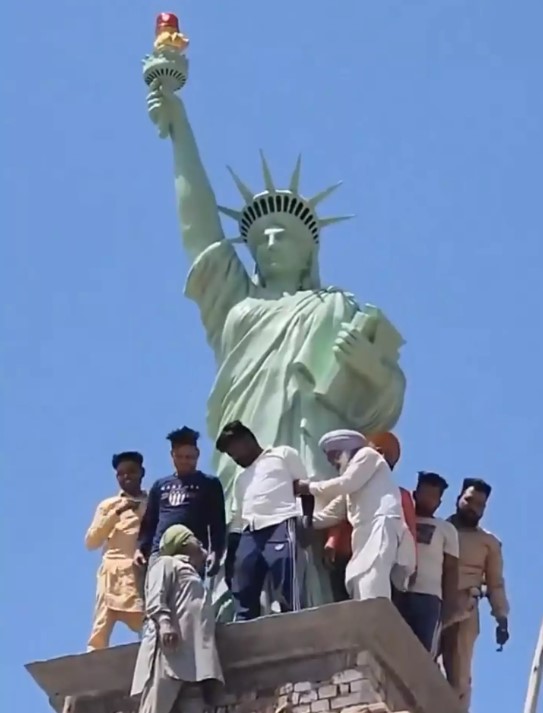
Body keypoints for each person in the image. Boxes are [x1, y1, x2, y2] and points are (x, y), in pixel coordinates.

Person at [295, 429, 416, 601]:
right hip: (363, 534)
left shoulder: (368, 456)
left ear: (346, 451)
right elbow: (330, 515)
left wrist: (308, 488)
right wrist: (294, 519)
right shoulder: (353, 487)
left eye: (336, 458)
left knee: (373, 578)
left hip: (380, 525)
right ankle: (365, 624)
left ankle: (376, 622)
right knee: (357, 578)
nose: (335, 465)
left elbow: (345, 483)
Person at [216, 420, 312, 621]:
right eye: (230, 456)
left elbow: (306, 489)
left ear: (248, 441)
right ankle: (244, 624)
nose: (235, 459)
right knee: (243, 583)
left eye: (235, 452)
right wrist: (232, 551)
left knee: (287, 582)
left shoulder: (282, 455)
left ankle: (294, 622)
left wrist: (307, 521)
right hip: (250, 532)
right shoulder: (241, 479)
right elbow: (238, 516)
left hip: (281, 523)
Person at [131, 525, 224, 713]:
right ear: (182, 543)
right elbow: (156, 596)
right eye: (192, 538)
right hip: (169, 654)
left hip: (193, 662)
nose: (198, 541)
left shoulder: (193, 574)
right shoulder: (166, 563)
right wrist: (165, 623)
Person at [441, 478, 510, 711]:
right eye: (469, 500)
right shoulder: (440, 529)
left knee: (459, 675)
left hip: (464, 607)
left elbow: (495, 583)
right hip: (433, 602)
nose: (473, 508)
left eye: (480, 505)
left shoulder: (488, 543)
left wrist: (501, 618)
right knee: (420, 661)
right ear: (458, 498)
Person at [134, 427, 226, 593]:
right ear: (172, 456)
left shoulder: (209, 484)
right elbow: (150, 521)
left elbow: (217, 522)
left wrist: (216, 553)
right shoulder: (160, 485)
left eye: (189, 457)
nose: (184, 461)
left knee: (187, 596)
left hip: (192, 550)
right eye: (179, 457)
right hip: (160, 552)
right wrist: (140, 548)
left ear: (197, 455)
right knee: (158, 596)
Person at [85, 451, 148, 650]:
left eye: (131, 471)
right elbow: (91, 541)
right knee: (102, 623)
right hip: (112, 571)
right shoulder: (108, 506)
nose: (126, 476)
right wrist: (117, 512)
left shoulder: (153, 502)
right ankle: (94, 661)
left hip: (141, 570)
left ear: (141, 472)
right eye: (121, 473)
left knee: (149, 619)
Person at [393, 471, 459, 656]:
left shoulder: (446, 530)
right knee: (393, 643)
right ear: (415, 494)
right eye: (425, 493)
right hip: (400, 590)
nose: (428, 499)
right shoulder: (403, 519)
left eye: (433, 496)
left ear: (439, 502)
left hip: (428, 597)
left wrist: (449, 605)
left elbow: (451, 569)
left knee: (421, 653)